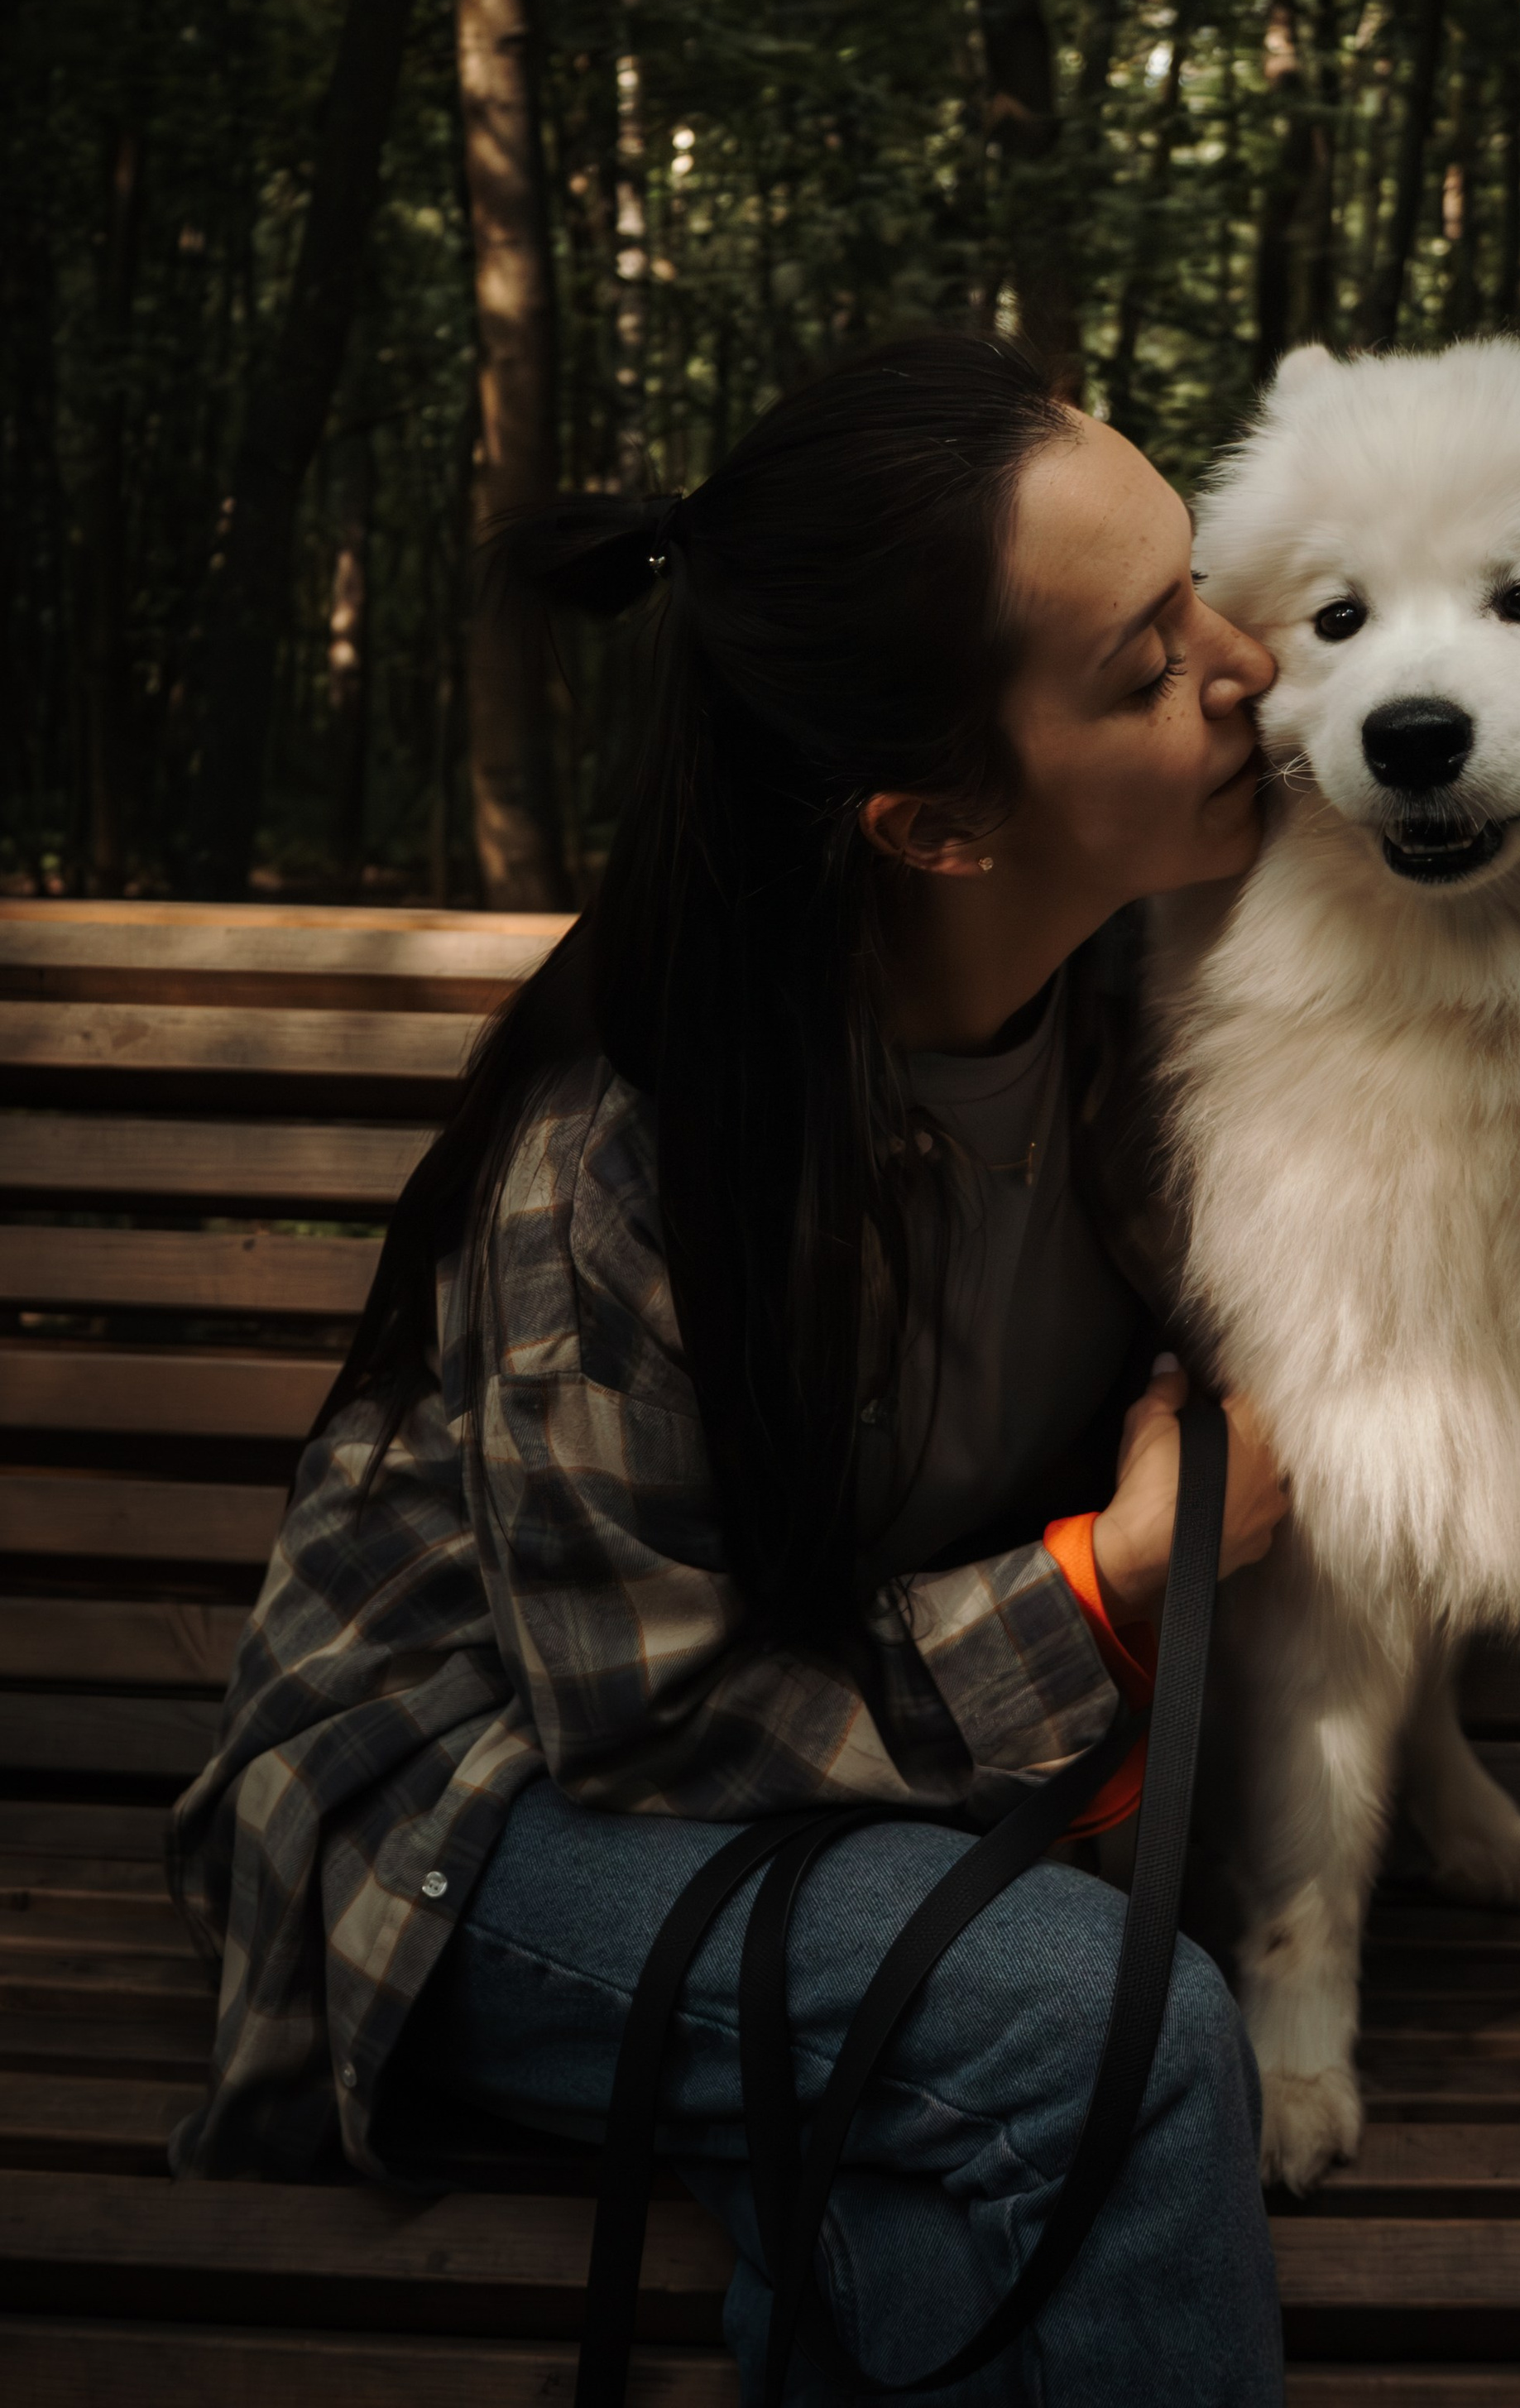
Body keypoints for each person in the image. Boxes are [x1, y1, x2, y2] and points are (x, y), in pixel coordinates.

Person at [170, 330, 1292, 2406]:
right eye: (1143, 664)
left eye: (1200, 585)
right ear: (934, 827)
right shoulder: (625, 1156)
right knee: (1098, 2025)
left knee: (928, 2183)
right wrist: (1102, 1591)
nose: (1250, 666)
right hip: (493, 1799)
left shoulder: (1156, 999)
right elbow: (650, 1721)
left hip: (876, 1792)